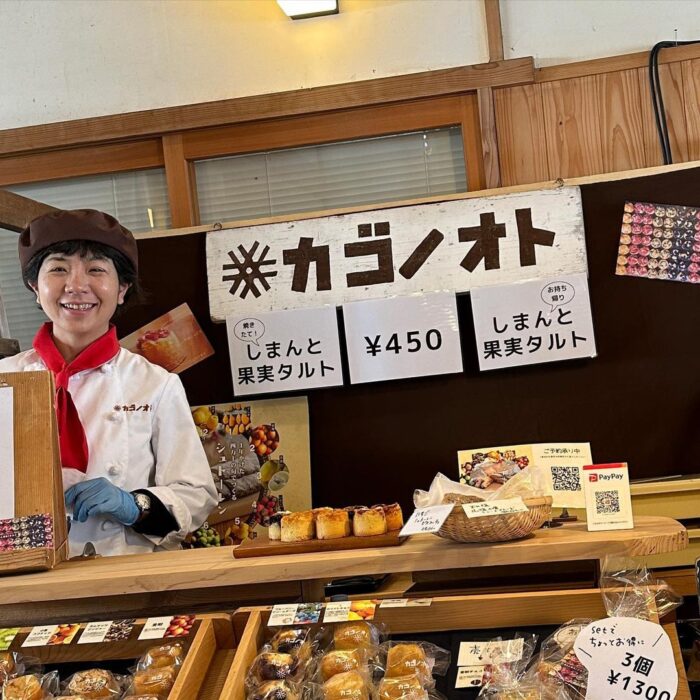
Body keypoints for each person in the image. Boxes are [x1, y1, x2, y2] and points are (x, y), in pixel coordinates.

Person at [0, 209, 218, 557]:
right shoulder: (4, 381)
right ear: (34, 287)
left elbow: (196, 495)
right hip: (20, 582)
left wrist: (134, 505)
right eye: (58, 268)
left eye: (96, 269)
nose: (76, 285)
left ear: (122, 289)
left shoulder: (156, 385)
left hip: (126, 579)